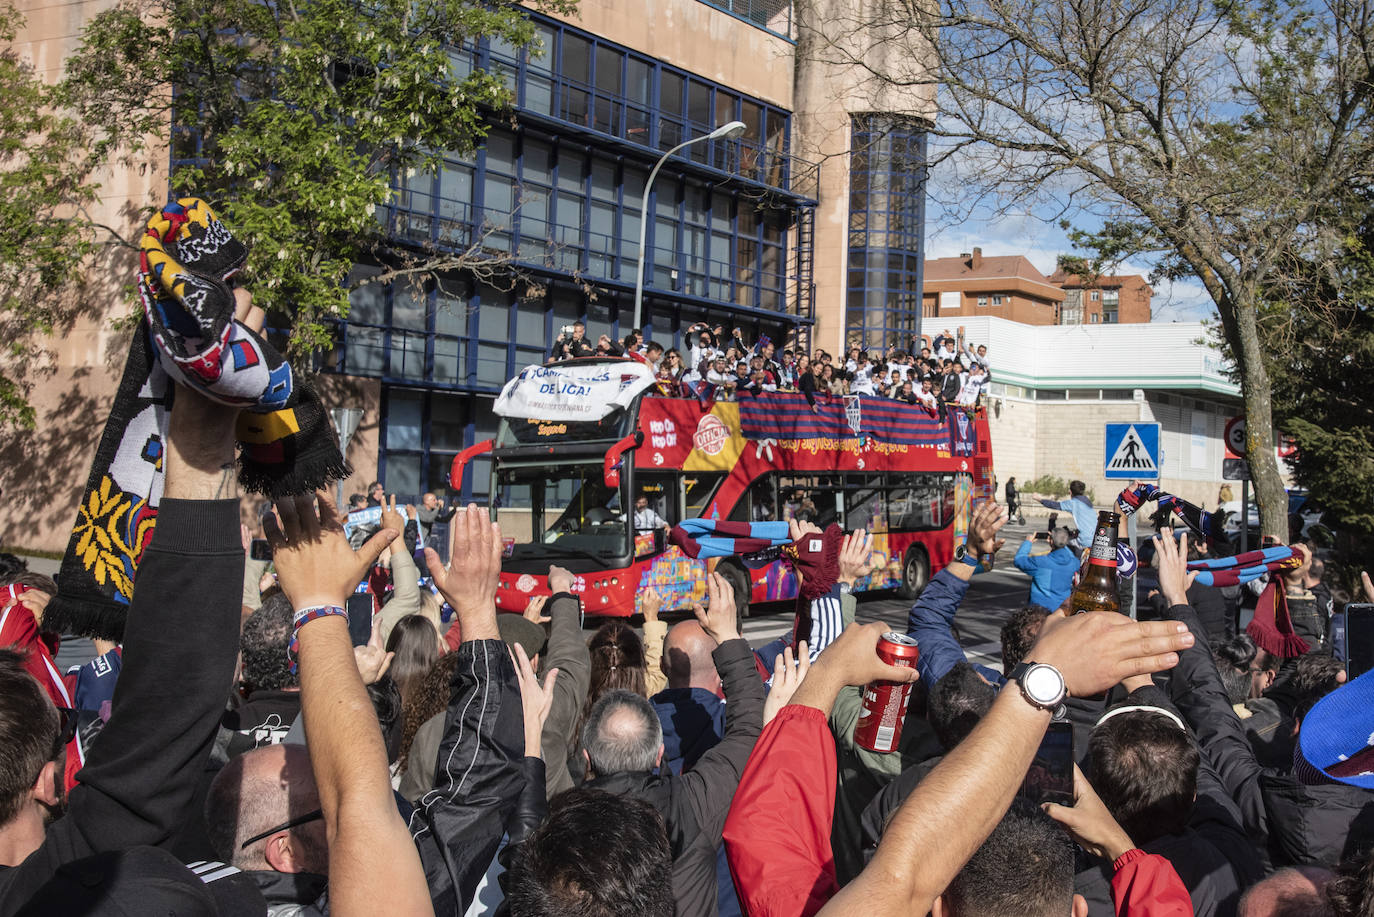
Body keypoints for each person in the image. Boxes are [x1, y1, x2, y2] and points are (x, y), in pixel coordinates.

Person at [582, 573, 764, 916]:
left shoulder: (566, 820)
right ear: (658, 753)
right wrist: (728, 637)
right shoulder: (690, 804)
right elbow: (748, 728)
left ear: (586, 757)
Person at [1013, 529, 1078, 611]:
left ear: (1051, 541)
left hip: (1039, 609)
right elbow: (1071, 556)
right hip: (1061, 609)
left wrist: (1027, 542)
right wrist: (1061, 542)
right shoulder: (1073, 563)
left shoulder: (1041, 562)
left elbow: (1019, 560)